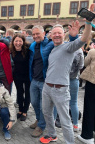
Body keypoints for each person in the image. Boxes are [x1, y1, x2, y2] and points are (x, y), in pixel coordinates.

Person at [40, 9, 93, 144]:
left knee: (64, 120)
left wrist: (88, 22)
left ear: (64, 34)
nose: (56, 35)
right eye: (54, 33)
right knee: (47, 114)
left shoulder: (69, 47)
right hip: (47, 87)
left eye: (59, 33)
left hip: (60, 90)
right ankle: (52, 134)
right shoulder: (52, 50)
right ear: (50, 35)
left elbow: (84, 39)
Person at [29, 25, 77, 137]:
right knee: (34, 102)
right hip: (34, 79)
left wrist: (73, 37)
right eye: (34, 34)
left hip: (46, 80)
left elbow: (68, 46)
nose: (35, 36)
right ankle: (39, 119)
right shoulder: (32, 45)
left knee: (44, 107)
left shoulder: (51, 44)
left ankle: (41, 126)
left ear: (44, 34)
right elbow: (31, 61)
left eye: (38, 34)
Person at [10, 34, 30, 121]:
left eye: (20, 41)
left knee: (27, 93)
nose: (18, 43)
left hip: (27, 75)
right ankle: (20, 110)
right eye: (16, 41)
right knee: (19, 92)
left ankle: (25, 111)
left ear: (23, 42)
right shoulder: (11, 50)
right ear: (13, 42)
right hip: (17, 75)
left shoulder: (27, 50)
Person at [77, 44, 95, 144]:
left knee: (89, 108)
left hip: (92, 83)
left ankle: (87, 136)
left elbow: (85, 63)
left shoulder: (93, 51)